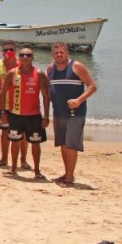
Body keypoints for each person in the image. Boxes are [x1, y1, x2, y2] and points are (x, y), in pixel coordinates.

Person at [47, 42, 97, 187]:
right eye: (56, 53)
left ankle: (69, 177)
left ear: (67, 52)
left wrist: (79, 100)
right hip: (58, 112)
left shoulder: (77, 66)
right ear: (52, 54)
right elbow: (48, 88)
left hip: (76, 112)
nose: (59, 55)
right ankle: (67, 173)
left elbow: (92, 86)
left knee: (71, 144)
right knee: (63, 144)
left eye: (62, 52)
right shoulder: (50, 68)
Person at [0, 47, 50, 179]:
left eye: (28, 55)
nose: (25, 57)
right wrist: (4, 113)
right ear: (19, 57)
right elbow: (3, 92)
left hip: (34, 116)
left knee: (35, 143)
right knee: (14, 142)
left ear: (33, 58)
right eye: (22, 55)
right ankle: (14, 169)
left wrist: (46, 115)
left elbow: (45, 96)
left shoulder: (39, 73)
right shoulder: (12, 73)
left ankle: (37, 171)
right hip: (15, 115)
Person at [0, 41, 27, 170]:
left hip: (20, 104)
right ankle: (4, 159)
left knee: (22, 133)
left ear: (15, 50)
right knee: (5, 132)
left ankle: (23, 161)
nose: (8, 52)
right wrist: (2, 91)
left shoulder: (22, 64)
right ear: (2, 51)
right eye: (5, 50)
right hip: (4, 104)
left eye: (10, 49)